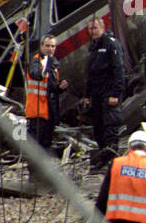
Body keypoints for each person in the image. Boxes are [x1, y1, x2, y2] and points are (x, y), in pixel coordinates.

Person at [77, 16, 124, 172]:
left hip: (108, 93)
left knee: (110, 129)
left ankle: (113, 162)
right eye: (90, 29)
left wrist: (115, 94)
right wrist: (87, 95)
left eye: (95, 28)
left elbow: (119, 71)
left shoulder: (111, 44)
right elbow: (90, 74)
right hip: (96, 95)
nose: (93, 31)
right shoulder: (93, 47)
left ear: (102, 27)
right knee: (98, 129)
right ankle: (104, 159)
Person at [24, 34, 67, 164]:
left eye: (53, 46)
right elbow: (35, 72)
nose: (50, 49)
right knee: (36, 147)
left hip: (48, 112)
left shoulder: (52, 64)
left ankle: (42, 175)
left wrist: (60, 88)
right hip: (37, 111)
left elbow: (50, 87)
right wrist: (43, 73)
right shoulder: (37, 61)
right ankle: (35, 177)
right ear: (41, 46)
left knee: (45, 146)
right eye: (47, 46)